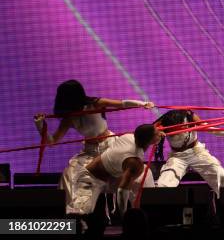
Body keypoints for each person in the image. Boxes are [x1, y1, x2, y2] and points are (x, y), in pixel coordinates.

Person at [33, 80, 155, 214]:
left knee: (134, 172)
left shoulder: (95, 104)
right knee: (69, 175)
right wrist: (40, 126)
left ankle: (140, 212)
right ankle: (75, 216)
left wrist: (142, 103)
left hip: (110, 146)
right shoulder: (69, 118)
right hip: (89, 152)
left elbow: (121, 103)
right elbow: (52, 141)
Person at [72, 124, 163, 219]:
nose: (160, 134)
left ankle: (141, 211)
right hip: (92, 183)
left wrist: (156, 138)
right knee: (81, 222)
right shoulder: (135, 163)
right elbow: (121, 191)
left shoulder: (129, 137)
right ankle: (142, 214)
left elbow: (142, 144)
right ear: (149, 139)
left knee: (143, 174)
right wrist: (124, 216)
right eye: (157, 133)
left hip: (92, 176)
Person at [155, 109, 224, 197]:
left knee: (222, 178)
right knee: (164, 184)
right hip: (177, 157)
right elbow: (147, 134)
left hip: (197, 153)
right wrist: (156, 134)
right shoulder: (164, 121)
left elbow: (212, 130)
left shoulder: (190, 117)